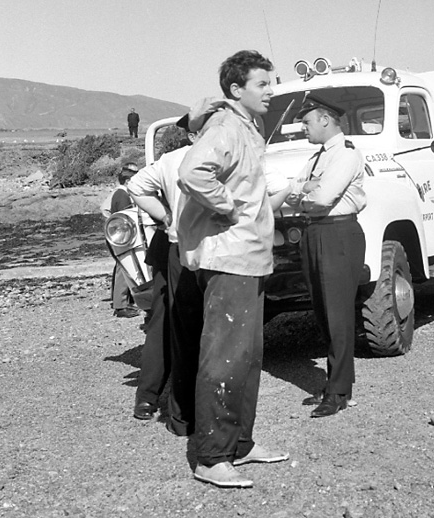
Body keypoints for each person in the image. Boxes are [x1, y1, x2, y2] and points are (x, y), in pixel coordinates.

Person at [176, 50, 288, 489]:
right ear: (236, 90)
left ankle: (240, 443)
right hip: (230, 260)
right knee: (224, 357)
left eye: (271, 82)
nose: (271, 90)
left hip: (249, 259)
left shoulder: (247, 128)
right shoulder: (225, 127)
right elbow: (192, 171)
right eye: (263, 83)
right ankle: (212, 456)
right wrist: (228, 207)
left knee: (246, 356)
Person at [286, 94, 367, 419]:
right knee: (321, 312)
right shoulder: (317, 157)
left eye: (306, 122)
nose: (303, 128)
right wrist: (306, 190)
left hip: (337, 233)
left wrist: (306, 192)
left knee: (337, 314)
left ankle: (337, 392)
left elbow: (322, 198)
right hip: (314, 233)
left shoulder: (346, 154)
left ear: (325, 119)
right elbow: (292, 190)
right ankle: (339, 384)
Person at [126, 115, 196, 423]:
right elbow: (136, 185)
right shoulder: (174, 160)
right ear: (192, 136)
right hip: (175, 248)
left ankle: (179, 398)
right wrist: (167, 215)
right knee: (164, 322)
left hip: (201, 249)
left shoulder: (226, 156)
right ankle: (152, 396)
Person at [101, 162, 142, 318]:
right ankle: (121, 305)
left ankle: (121, 302)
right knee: (124, 268)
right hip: (122, 238)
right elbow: (126, 217)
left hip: (117, 236)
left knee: (121, 267)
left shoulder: (118, 194)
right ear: (127, 181)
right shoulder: (122, 195)